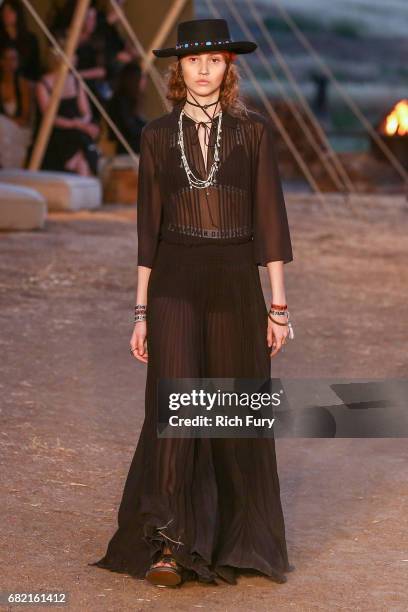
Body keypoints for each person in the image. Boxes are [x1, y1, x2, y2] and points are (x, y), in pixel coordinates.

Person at [91, 19, 295, 587]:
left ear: (229, 67)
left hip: (235, 281)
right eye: (192, 60)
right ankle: (170, 544)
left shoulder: (254, 132)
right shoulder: (156, 134)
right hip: (175, 282)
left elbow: (271, 221)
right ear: (178, 70)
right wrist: (139, 313)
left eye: (214, 60)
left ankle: (235, 538)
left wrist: (278, 308)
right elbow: (146, 231)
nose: (203, 69)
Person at [35, 38, 100, 176]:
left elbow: (86, 112)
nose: (75, 58)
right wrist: (77, 124)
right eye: (71, 54)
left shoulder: (76, 80)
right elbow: (50, 118)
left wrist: (83, 124)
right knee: (78, 158)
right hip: (56, 133)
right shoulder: (43, 84)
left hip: (76, 132)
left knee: (84, 159)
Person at [0, 44, 32, 168]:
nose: (10, 63)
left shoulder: (22, 85)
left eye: (13, 59)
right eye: (6, 59)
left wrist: (6, 123)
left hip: (19, 130)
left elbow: (25, 118)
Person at [107, 60, 146, 155]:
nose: (144, 82)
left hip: (132, 143)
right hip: (126, 146)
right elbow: (129, 129)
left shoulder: (129, 99)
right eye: (142, 78)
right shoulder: (120, 101)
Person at [0, 0, 41, 83]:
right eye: (4, 11)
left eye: (10, 11)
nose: (6, 14)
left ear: (18, 13)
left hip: (27, 84)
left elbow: (35, 68)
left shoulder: (31, 39)